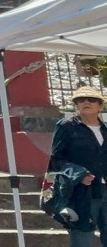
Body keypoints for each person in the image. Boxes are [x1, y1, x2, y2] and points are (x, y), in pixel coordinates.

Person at [49, 86, 107, 246]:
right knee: (83, 239)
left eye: (92, 100)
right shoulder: (66, 127)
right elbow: (57, 159)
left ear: (100, 106)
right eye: (81, 100)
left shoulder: (105, 130)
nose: (86, 102)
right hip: (82, 193)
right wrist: (79, 174)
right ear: (76, 105)